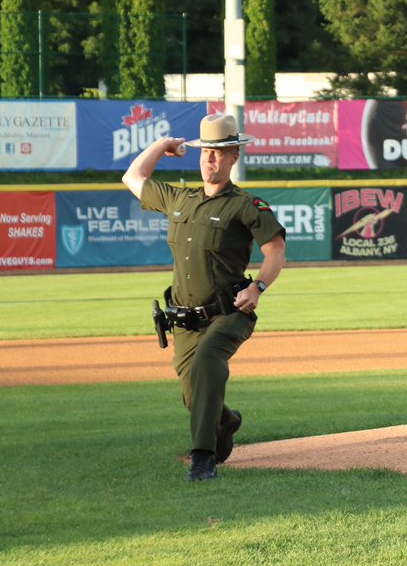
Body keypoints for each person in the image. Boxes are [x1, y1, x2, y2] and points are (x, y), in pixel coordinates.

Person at [122, 112, 286, 481]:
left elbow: (275, 250)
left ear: (233, 157)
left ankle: (203, 459)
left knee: (209, 360)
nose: (210, 159)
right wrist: (162, 145)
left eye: (218, 152)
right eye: (205, 152)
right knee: (194, 396)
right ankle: (226, 422)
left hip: (230, 312)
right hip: (184, 320)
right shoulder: (179, 200)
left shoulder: (245, 205)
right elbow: (132, 177)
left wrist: (257, 288)